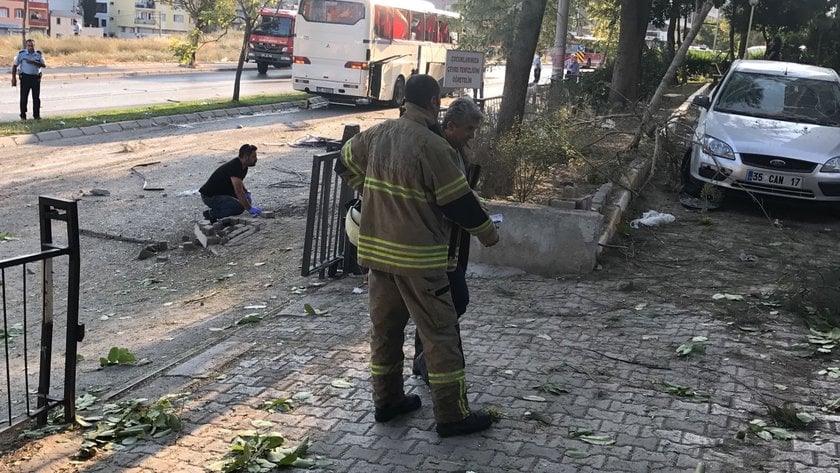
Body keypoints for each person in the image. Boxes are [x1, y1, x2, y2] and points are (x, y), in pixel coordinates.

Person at [337, 74, 499, 438]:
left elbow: (343, 163)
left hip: (377, 255)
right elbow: (458, 203)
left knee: (385, 331)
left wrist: (370, 192)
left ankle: (387, 401)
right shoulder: (434, 147)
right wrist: (489, 233)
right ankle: (452, 415)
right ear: (433, 102)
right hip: (419, 260)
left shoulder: (377, 134)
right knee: (440, 335)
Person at [412, 97, 484, 384]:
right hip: (439, 244)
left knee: (443, 304)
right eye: (469, 129)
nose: (472, 136)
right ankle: (433, 361)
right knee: (454, 301)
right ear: (450, 126)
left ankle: (425, 359)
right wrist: (485, 229)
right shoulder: (439, 150)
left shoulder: (455, 150)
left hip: (455, 239)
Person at [199, 144, 261, 222]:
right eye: (253, 157)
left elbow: (239, 182)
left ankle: (222, 207)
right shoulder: (235, 167)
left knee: (246, 200)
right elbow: (238, 191)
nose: (256, 159)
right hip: (210, 196)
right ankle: (211, 214)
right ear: (246, 157)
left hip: (222, 193)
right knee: (239, 207)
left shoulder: (243, 166)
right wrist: (249, 208)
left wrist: (246, 193)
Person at [11, 39, 46, 121]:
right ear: (26, 46)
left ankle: (36, 116)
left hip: (35, 78)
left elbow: (44, 65)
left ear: (34, 45)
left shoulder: (38, 54)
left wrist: (34, 62)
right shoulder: (22, 54)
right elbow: (15, 66)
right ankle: (23, 115)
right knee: (24, 97)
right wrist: (13, 78)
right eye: (29, 46)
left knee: (36, 98)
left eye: (32, 45)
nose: (31, 47)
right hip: (25, 78)